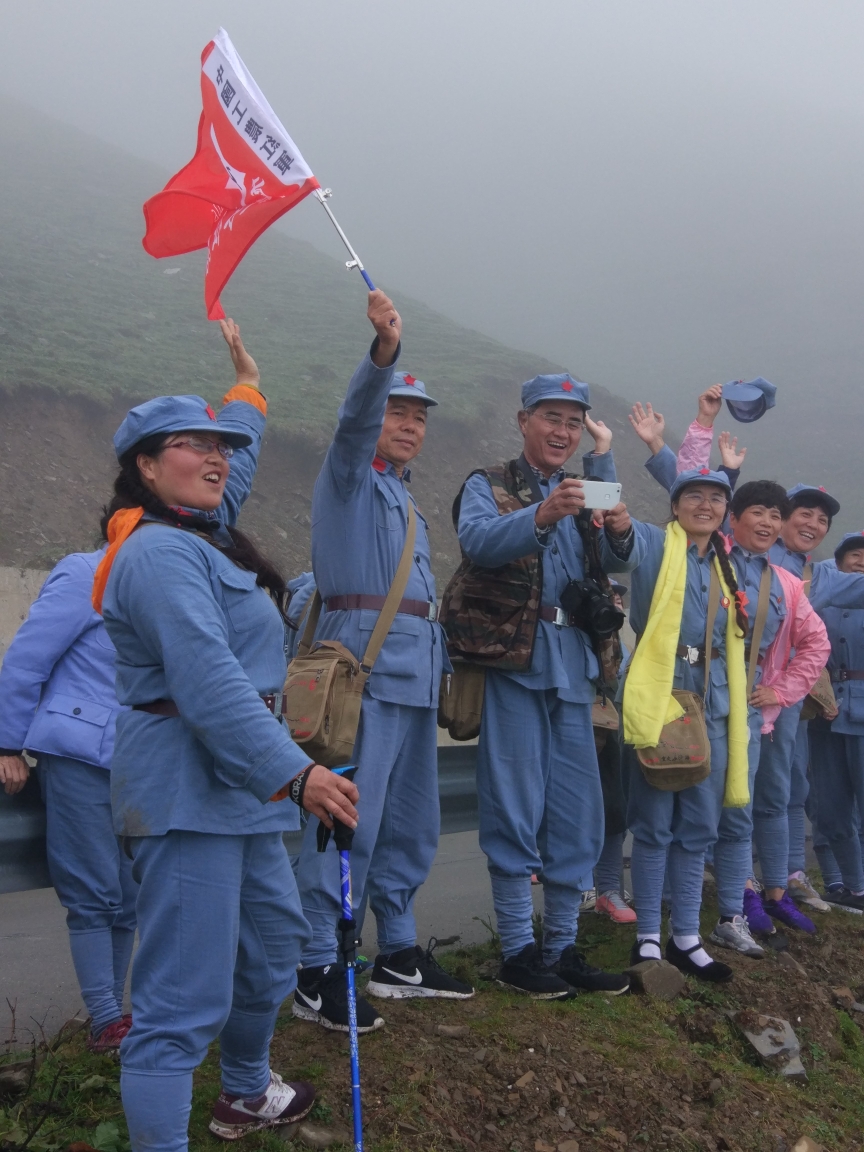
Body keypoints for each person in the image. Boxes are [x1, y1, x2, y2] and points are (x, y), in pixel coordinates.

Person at [98, 320, 356, 1149]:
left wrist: (246, 387)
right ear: (144, 465)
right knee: (181, 1001)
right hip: (187, 788)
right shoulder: (157, 555)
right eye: (190, 446)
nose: (215, 458)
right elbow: (207, 684)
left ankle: (245, 1091)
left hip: (245, 791)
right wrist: (299, 774)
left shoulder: (204, 534)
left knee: (272, 951)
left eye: (219, 446)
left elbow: (233, 461)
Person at [294, 290, 473, 1034]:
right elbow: (352, 424)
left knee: (408, 827)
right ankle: (316, 966)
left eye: (419, 417)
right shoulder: (349, 480)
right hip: (360, 680)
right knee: (347, 829)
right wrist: (383, 355)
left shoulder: (405, 498)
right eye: (399, 412)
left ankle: (395, 950)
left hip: (411, 681)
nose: (408, 426)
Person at [444, 371, 631, 998]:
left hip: (573, 665)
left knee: (579, 809)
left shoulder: (590, 484)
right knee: (513, 803)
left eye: (573, 422)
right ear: (524, 421)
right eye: (551, 418)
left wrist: (615, 506)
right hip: (514, 661)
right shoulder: (487, 481)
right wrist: (540, 513)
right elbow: (476, 541)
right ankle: (519, 952)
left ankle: (562, 948)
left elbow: (618, 552)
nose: (563, 431)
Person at [605, 468, 751, 982]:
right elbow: (618, 537)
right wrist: (605, 464)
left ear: (725, 511)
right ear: (675, 505)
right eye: (694, 495)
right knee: (652, 820)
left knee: (699, 824)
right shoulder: (652, 543)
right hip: (659, 698)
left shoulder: (728, 568)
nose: (705, 505)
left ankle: (686, 935)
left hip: (711, 701)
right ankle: (648, 935)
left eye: (716, 497)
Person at [0, 553, 136, 1054]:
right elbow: (27, 659)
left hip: (140, 759)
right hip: (78, 754)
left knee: (129, 898)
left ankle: (114, 1018)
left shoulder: (163, 575)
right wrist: (7, 744)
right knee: (94, 893)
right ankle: (104, 1019)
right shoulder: (85, 572)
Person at [709, 482, 829, 952]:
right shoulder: (711, 562)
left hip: (761, 709)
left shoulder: (786, 581)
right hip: (710, 701)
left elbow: (815, 643)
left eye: (774, 515)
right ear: (732, 519)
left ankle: (770, 892)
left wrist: (780, 690)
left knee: (768, 797)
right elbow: (694, 492)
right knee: (721, 803)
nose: (767, 522)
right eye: (757, 512)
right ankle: (737, 894)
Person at [807, 532, 864, 911]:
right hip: (823, 712)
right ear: (838, 562)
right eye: (853, 555)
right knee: (828, 804)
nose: (860, 560)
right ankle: (854, 888)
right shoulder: (818, 600)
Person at [593, 580, 637, 924]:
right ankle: (580, 885)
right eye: (609, 593)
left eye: (617, 593)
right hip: (563, 707)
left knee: (612, 803)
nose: (616, 599)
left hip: (605, 718)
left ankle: (609, 889)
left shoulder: (614, 634)